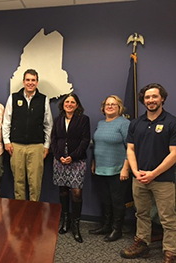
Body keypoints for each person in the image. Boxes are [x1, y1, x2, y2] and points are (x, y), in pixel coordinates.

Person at [120, 83, 176, 262]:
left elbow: (174, 153)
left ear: (162, 99)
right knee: (141, 213)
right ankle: (142, 244)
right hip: (140, 178)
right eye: (147, 97)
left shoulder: (171, 122)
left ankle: (170, 251)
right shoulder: (136, 123)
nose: (151, 100)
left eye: (154, 97)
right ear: (143, 101)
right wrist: (136, 172)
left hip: (163, 179)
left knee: (167, 217)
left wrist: (153, 173)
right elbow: (130, 149)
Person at [2, 69, 53, 202]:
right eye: (28, 80)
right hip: (16, 146)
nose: (30, 83)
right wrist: (7, 141)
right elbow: (6, 122)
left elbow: (48, 124)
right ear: (24, 82)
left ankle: (33, 211)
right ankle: (20, 211)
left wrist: (46, 145)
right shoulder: (13, 98)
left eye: (33, 80)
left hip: (36, 147)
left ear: (37, 82)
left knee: (35, 182)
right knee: (18, 181)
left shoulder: (43, 99)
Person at [90, 95, 130, 242]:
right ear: (103, 107)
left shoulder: (124, 123)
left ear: (119, 107)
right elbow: (96, 144)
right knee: (105, 199)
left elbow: (131, 148)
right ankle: (106, 226)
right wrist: (94, 162)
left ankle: (116, 229)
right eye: (107, 104)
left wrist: (126, 168)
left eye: (114, 104)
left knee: (117, 201)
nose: (110, 106)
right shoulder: (101, 123)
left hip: (118, 170)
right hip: (101, 168)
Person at [50, 93, 90, 243]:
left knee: (76, 192)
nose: (70, 104)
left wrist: (72, 157)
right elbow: (54, 139)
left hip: (77, 161)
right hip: (59, 160)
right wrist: (59, 155)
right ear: (63, 104)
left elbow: (85, 140)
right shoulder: (58, 119)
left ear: (77, 105)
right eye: (67, 102)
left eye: (73, 102)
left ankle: (76, 225)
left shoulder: (83, 119)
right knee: (63, 190)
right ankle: (65, 221)